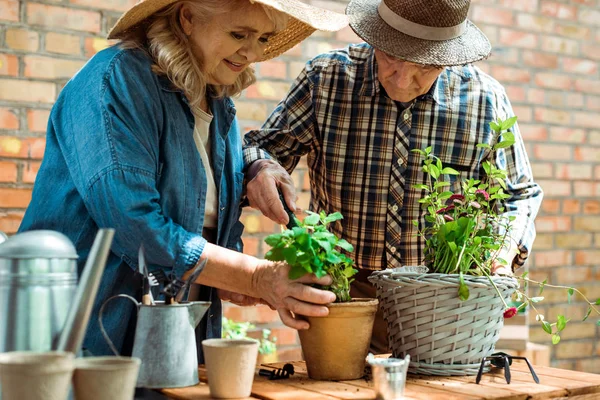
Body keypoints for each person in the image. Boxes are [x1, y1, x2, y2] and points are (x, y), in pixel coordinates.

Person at [19, 0, 348, 359]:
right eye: (239, 34)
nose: (252, 52)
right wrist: (256, 278)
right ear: (187, 18)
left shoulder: (215, 100)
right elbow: (135, 227)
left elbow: (209, 210)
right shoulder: (116, 81)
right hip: (87, 335)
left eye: (264, 39)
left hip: (172, 345)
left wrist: (257, 167)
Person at [243, 0, 543, 353]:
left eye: (423, 68)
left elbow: (517, 195)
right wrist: (260, 167)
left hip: (441, 299)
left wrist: (503, 251)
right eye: (391, 57)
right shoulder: (325, 79)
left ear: (448, 59)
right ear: (376, 38)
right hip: (342, 291)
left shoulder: (485, 100)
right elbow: (262, 148)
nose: (401, 79)